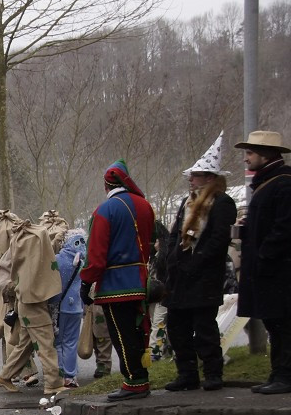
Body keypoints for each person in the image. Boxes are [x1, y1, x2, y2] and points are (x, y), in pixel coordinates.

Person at [158, 132, 237, 392]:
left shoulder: (222, 203)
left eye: (196, 175)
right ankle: (187, 374)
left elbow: (217, 240)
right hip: (179, 278)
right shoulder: (186, 202)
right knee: (177, 328)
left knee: (204, 328)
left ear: (210, 178)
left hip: (204, 278)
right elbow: (173, 236)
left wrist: (196, 265)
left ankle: (213, 373)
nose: (190, 180)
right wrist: (170, 260)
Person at [80, 160, 156, 401]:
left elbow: (96, 255)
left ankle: (133, 382)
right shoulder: (145, 206)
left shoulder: (104, 211)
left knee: (121, 335)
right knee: (137, 331)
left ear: (106, 184)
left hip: (115, 284)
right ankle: (140, 377)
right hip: (141, 279)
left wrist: (86, 281)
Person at [235, 130, 291, 394]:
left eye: (250, 152)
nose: (246, 158)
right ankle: (278, 372)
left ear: (266, 155)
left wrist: (265, 255)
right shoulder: (266, 183)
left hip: (279, 270)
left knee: (283, 323)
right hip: (268, 269)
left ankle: (285, 375)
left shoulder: (283, 183)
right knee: (274, 322)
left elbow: (284, 227)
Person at [0, 218, 67, 396]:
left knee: (25, 345)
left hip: (25, 303)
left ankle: (4, 376)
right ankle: (54, 384)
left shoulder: (20, 247)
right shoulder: (34, 244)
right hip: (33, 304)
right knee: (46, 344)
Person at [54, 228, 87, 388]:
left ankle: (61, 375)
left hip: (61, 306)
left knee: (58, 342)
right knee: (71, 342)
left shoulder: (59, 259)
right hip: (77, 307)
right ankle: (71, 375)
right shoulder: (84, 259)